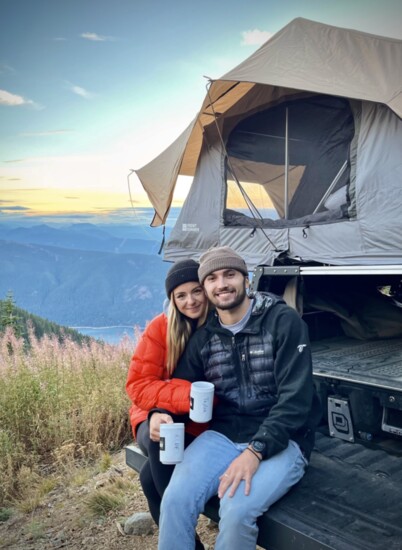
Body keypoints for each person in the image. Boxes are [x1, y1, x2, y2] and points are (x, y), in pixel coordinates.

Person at [156, 246, 322, 550]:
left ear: (246, 280)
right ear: (205, 288)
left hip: (284, 439)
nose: (222, 284)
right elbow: (181, 386)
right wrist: (159, 412)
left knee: (235, 511)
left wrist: (256, 451)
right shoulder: (205, 336)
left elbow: (296, 399)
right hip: (223, 435)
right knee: (175, 501)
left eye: (230, 274)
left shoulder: (282, 322)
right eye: (213, 278)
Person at [125, 259, 209, 540]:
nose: (191, 301)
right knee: (159, 438)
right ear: (172, 299)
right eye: (181, 295)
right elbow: (138, 385)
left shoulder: (218, 326)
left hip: (196, 418)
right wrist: (185, 397)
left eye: (196, 291)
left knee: (149, 480)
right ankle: (186, 535)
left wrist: (189, 401)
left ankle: (183, 542)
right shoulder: (161, 327)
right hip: (153, 414)